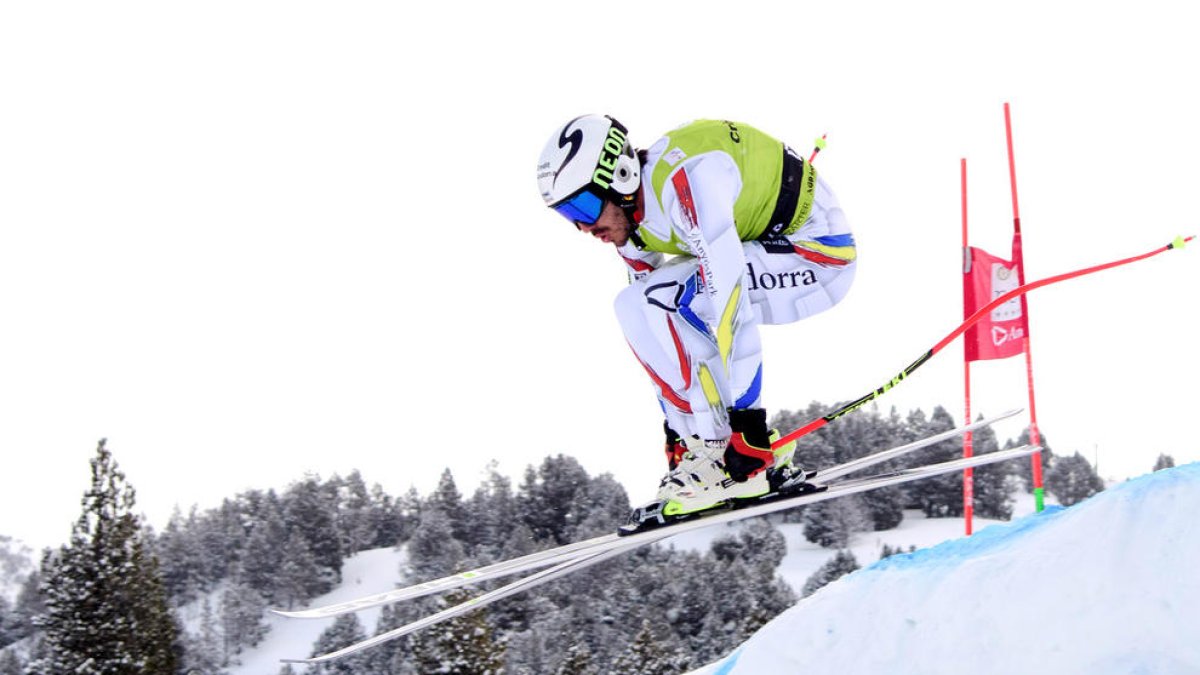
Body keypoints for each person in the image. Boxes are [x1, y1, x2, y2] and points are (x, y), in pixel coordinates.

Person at [536, 115, 856, 529]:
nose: (582, 226)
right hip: (767, 249)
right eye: (566, 214)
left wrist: (748, 424)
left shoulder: (689, 185)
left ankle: (729, 452)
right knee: (631, 305)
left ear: (620, 175)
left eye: (583, 206)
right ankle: (704, 450)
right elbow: (655, 326)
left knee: (671, 295)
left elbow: (730, 304)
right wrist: (675, 429)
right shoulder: (629, 221)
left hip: (818, 255)